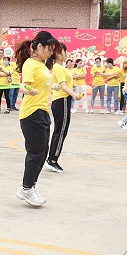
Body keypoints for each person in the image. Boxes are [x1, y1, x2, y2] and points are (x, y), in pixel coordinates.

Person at [15, 31, 60, 207]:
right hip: (31, 112)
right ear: (39, 46)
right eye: (50, 49)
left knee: (42, 152)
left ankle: (29, 187)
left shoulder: (42, 65)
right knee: (35, 152)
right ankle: (27, 188)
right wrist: (29, 90)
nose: (51, 53)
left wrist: (53, 86)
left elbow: (42, 84)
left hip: (42, 111)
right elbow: (24, 85)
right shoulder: (30, 64)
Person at [46, 43, 82, 173]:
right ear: (57, 54)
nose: (66, 54)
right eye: (63, 51)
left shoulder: (59, 67)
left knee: (59, 131)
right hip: (62, 100)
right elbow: (63, 86)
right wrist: (74, 95)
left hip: (61, 100)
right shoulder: (59, 68)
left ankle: (52, 158)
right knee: (61, 131)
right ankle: (52, 159)